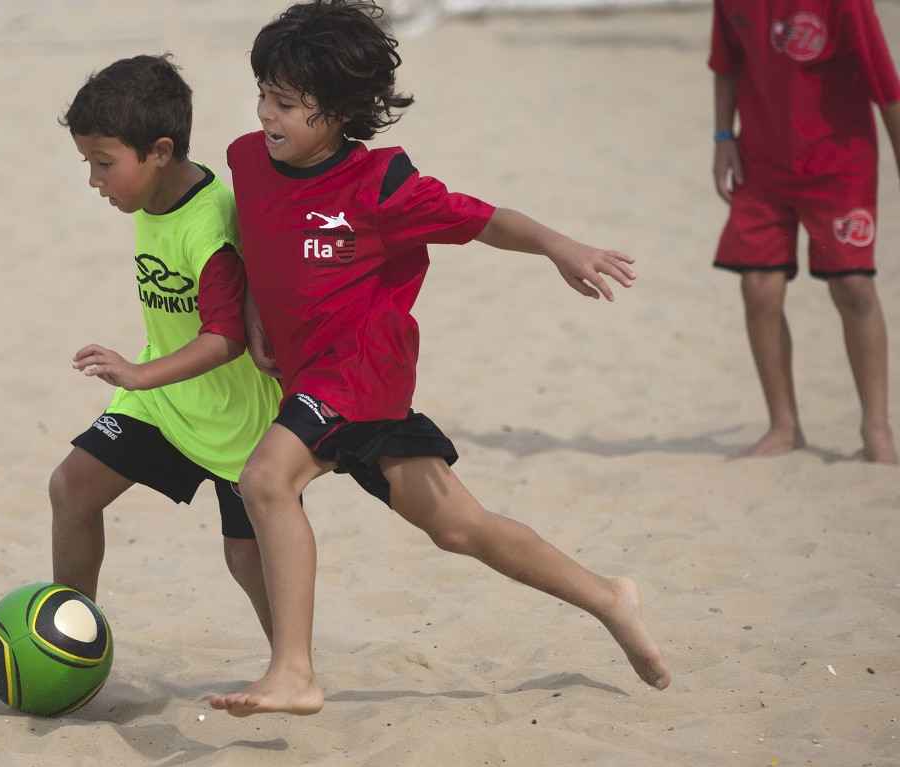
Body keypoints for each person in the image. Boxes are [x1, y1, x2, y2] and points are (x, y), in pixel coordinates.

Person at [208, 0, 670, 717]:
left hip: (359, 374)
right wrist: (253, 312)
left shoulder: (382, 186)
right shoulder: (247, 159)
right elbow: (256, 242)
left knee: (266, 480)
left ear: (340, 111)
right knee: (462, 528)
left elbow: (485, 220)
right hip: (313, 379)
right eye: (263, 94)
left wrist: (559, 245)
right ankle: (610, 597)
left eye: (287, 104)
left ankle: (294, 671)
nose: (267, 114)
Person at [53, 54, 283, 641]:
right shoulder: (155, 192)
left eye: (104, 163)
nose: (94, 180)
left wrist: (137, 373)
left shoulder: (208, 228)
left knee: (246, 558)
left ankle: (291, 663)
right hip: (164, 400)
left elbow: (227, 337)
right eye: (88, 162)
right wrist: (146, 381)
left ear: (159, 151)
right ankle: (69, 640)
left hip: (236, 420)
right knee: (72, 488)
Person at [710, 0, 900, 464]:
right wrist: (722, 137)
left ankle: (876, 429)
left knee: (853, 288)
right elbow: (726, 64)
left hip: (839, 165)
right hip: (762, 165)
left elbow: (887, 89)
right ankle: (784, 426)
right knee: (758, 288)